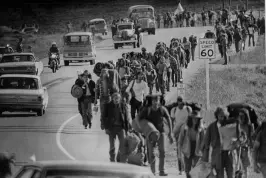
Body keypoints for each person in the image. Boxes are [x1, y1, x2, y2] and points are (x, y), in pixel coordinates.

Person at [139, 94, 174, 176]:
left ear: (159, 101)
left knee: (162, 152)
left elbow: (168, 118)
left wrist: (170, 133)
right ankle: (153, 172)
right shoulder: (147, 110)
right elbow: (140, 120)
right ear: (151, 101)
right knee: (151, 153)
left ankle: (161, 170)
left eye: (157, 100)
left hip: (161, 133)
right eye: (154, 100)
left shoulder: (162, 109)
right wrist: (142, 130)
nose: (155, 102)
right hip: (150, 134)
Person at [202, 107, 235, 178]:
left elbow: (235, 138)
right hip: (217, 155)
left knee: (230, 173)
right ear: (217, 116)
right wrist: (205, 159)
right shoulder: (211, 127)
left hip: (228, 153)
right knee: (219, 175)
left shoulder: (229, 125)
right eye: (220, 116)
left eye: (223, 116)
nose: (222, 118)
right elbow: (206, 144)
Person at [103, 92, 132, 162]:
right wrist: (106, 128)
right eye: (115, 98)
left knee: (123, 145)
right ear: (112, 99)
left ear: (120, 99)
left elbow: (126, 118)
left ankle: (122, 161)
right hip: (111, 128)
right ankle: (112, 160)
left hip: (121, 128)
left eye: (118, 98)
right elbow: (104, 117)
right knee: (112, 146)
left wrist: (128, 130)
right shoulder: (108, 106)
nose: (116, 100)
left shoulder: (123, 106)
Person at [178, 112, 205, 178]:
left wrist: (203, 151)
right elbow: (180, 141)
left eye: (197, 119)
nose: (195, 120)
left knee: (196, 169)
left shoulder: (201, 128)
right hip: (187, 149)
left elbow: (203, 140)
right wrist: (179, 153)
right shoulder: (184, 127)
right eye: (194, 119)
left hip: (197, 149)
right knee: (187, 170)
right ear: (190, 119)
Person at [170, 96, 192, 175]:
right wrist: (171, 132)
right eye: (179, 102)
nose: (181, 104)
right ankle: (180, 168)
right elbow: (172, 121)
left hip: (186, 131)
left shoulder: (188, 109)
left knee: (186, 149)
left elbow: (191, 119)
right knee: (179, 149)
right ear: (177, 102)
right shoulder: (174, 110)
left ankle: (187, 167)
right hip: (177, 132)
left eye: (182, 102)